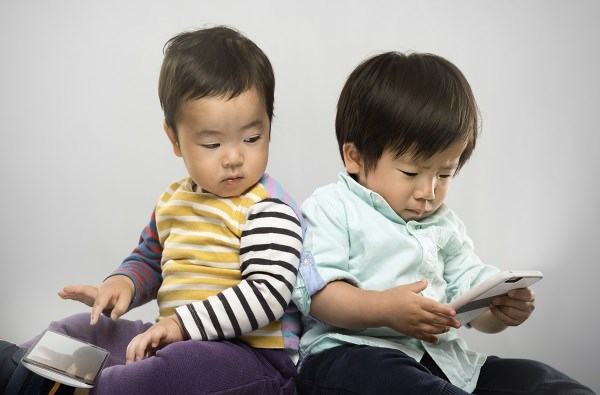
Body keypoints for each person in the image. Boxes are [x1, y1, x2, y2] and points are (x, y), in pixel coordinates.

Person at [1, 25, 304, 395]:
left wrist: (180, 326)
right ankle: (20, 368)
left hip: (249, 358)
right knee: (81, 329)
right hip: (170, 339)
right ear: (174, 139)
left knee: (174, 373)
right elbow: (149, 259)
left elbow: (267, 293)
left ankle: (74, 388)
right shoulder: (174, 201)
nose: (234, 157)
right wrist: (122, 283)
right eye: (212, 143)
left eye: (252, 138)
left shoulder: (268, 207)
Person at [291, 51, 594, 394]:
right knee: (386, 377)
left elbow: (469, 300)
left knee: (539, 379)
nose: (428, 192)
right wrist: (385, 309)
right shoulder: (332, 206)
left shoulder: (444, 224)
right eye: (411, 172)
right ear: (355, 157)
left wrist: (498, 310)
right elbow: (317, 294)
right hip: (349, 356)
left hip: (442, 360)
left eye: (445, 173)